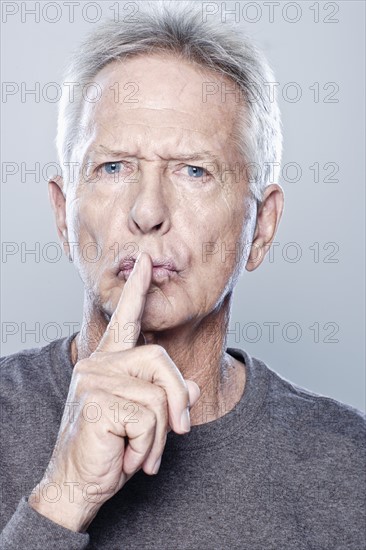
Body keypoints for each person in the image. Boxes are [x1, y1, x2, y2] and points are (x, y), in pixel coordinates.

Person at [1, 2, 365, 549]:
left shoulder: (348, 465)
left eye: (194, 171)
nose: (147, 211)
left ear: (261, 228)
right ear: (63, 213)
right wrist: (64, 496)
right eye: (113, 167)